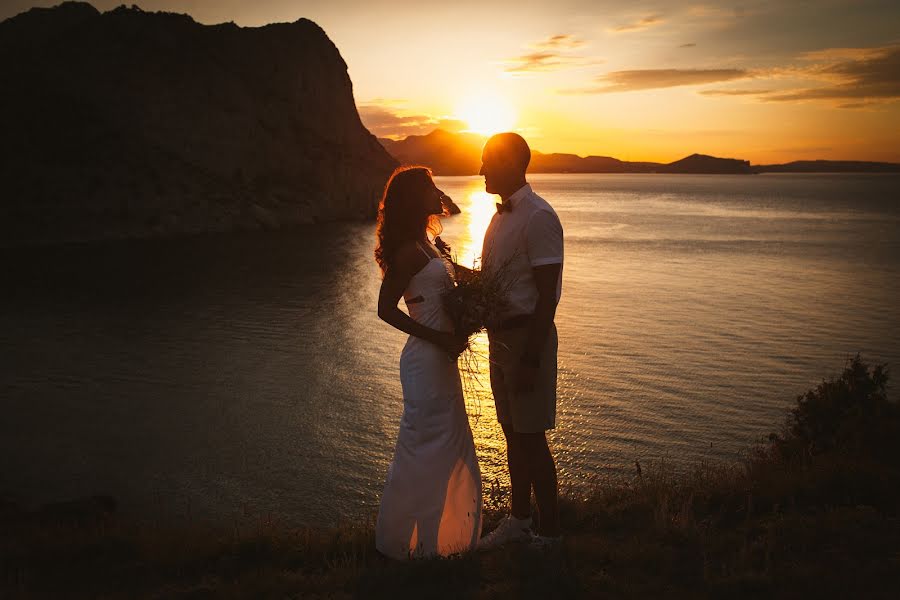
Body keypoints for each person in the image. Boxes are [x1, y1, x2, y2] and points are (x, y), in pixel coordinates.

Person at [373, 166, 483, 559]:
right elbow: (385, 309)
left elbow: (451, 283)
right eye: (429, 187)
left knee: (448, 444)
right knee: (424, 448)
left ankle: (436, 543)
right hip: (425, 361)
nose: (437, 191)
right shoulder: (406, 251)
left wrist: (490, 287)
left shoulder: (430, 244)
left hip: (443, 359)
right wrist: (439, 337)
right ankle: (413, 545)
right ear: (411, 199)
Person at [477, 133, 564, 549]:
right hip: (501, 340)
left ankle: (550, 534)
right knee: (512, 432)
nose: (480, 171)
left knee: (532, 438)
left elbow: (547, 294)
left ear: (511, 163)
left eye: (487, 162)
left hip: (527, 340)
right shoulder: (499, 218)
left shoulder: (538, 217)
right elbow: (501, 284)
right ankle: (519, 520)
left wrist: (530, 358)